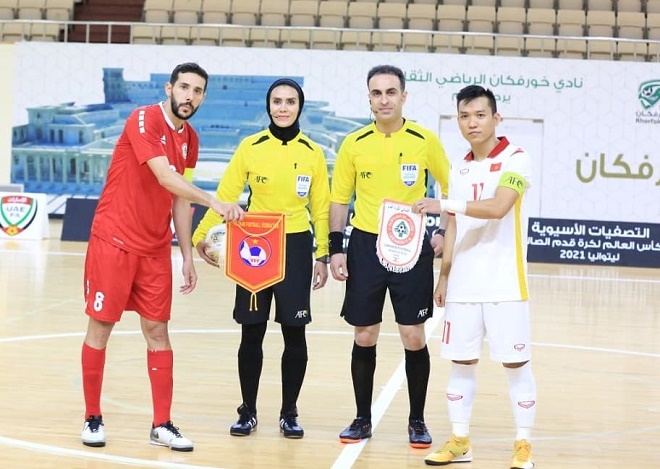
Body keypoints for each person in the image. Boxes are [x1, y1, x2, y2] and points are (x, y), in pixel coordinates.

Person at [80, 62, 244, 452]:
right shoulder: (144, 119)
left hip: (154, 249)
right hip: (114, 240)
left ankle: (161, 425)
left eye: (197, 91)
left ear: (203, 97)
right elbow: (164, 177)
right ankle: (92, 416)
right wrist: (214, 202)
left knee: (158, 332)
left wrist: (185, 255)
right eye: (184, 87)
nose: (189, 96)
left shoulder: (192, 139)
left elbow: (179, 198)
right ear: (170, 88)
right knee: (101, 327)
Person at [192, 78, 330, 439]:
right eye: (277, 101)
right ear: (268, 106)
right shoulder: (250, 147)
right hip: (254, 245)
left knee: (294, 333)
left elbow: (320, 208)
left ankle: (289, 413)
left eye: (290, 101)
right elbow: (226, 194)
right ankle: (248, 411)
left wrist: (323, 254)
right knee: (251, 332)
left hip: (296, 246)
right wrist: (200, 235)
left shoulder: (313, 153)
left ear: (300, 107)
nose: (283, 108)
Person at [414, 85, 536, 469]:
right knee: (461, 362)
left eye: (480, 115)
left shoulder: (517, 158)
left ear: (496, 118)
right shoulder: (459, 167)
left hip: (505, 283)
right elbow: (452, 224)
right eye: (465, 116)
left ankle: (523, 444)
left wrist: (444, 203)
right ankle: (460, 441)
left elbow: (499, 207)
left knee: (515, 364)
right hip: (464, 284)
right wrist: (444, 276)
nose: (473, 123)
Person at [328, 64, 450, 449]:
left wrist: (442, 231)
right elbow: (339, 199)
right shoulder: (354, 143)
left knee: (413, 335)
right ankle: (361, 419)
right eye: (377, 93)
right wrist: (335, 247)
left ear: (403, 96)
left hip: (411, 247)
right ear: (369, 97)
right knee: (364, 334)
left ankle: (417, 421)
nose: (384, 100)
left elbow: (451, 190)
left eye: (391, 92)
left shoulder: (425, 140)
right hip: (365, 246)